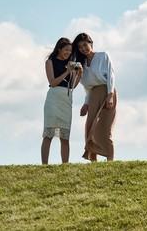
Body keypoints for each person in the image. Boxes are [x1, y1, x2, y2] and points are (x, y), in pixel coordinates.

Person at [72, 33, 117, 162]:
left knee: (105, 127)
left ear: (90, 43)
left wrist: (110, 95)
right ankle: (93, 160)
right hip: (93, 96)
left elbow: (111, 76)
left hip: (107, 91)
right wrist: (86, 103)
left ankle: (110, 159)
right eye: (80, 47)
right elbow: (88, 88)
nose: (83, 49)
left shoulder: (103, 56)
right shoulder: (82, 65)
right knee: (90, 127)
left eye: (85, 45)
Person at [41, 37, 82, 164]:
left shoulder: (71, 63)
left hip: (66, 99)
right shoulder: (50, 62)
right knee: (48, 134)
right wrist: (67, 72)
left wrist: (79, 74)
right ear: (59, 49)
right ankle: (44, 164)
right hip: (53, 99)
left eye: (70, 51)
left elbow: (72, 86)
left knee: (65, 136)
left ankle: (65, 164)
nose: (68, 53)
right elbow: (52, 82)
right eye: (66, 50)